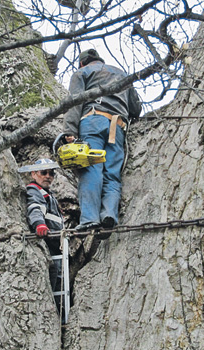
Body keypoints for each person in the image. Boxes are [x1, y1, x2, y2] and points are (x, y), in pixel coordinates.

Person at [63, 49, 142, 231]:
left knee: (90, 169)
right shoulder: (122, 74)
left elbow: (74, 102)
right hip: (118, 126)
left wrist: (69, 131)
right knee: (112, 173)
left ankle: (89, 219)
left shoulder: (81, 73)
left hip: (93, 120)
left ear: (82, 63)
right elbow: (136, 108)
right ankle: (109, 214)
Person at [20, 158, 64, 312]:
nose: (48, 176)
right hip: (47, 241)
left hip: (56, 243)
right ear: (33, 174)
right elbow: (34, 207)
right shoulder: (34, 190)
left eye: (51, 173)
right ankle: (49, 310)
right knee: (51, 275)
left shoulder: (49, 194)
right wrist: (39, 224)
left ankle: (58, 311)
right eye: (43, 172)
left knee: (59, 278)